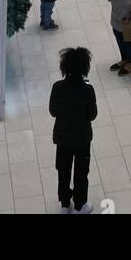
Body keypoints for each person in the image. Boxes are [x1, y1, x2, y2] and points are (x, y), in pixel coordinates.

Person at [49, 46, 97, 215]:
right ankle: (80, 205)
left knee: (63, 171)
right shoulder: (87, 90)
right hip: (82, 138)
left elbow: (53, 111)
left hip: (62, 138)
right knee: (81, 172)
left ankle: (64, 203)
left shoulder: (57, 87)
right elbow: (92, 115)